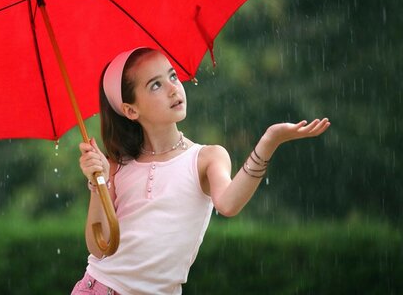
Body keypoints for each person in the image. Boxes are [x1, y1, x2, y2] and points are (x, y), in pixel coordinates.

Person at [71, 47, 330, 295]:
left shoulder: (206, 157)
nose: (174, 89)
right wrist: (99, 182)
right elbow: (99, 246)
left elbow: (228, 204)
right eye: (156, 85)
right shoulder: (116, 166)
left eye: (172, 76)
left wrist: (269, 141)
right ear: (130, 110)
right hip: (98, 288)